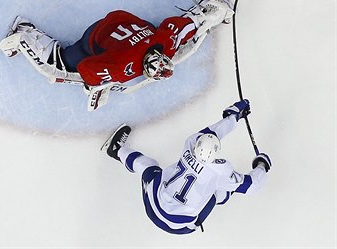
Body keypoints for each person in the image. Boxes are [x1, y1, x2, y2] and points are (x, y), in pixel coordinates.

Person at [0, 0, 234, 110]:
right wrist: (96, 88)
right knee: (60, 64)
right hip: (99, 34)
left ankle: (215, 3)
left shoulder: (167, 42)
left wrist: (211, 11)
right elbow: (86, 70)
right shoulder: (123, 66)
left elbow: (189, 23)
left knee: (165, 33)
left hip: (125, 21)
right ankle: (23, 32)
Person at [100, 99, 272, 234]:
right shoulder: (220, 171)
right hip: (179, 225)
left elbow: (212, 132)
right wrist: (262, 165)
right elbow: (252, 185)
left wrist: (233, 115)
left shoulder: (191, 143)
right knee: (220, 193)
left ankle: (117, 151)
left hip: (154, 204)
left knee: (148, 166)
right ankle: (222, 197)